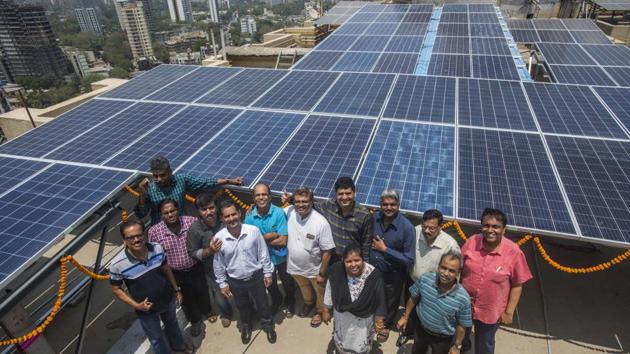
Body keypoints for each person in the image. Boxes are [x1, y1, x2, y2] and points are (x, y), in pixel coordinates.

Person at [109, 219, 192, 354]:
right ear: (124, 240)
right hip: (145, 309)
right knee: (156, 337)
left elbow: (166, 269)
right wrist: (136, 306)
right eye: (130, 237)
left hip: (167, 299)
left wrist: (176, 289)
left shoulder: (157, 248)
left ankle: (179, 347)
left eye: (139, 235)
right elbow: (115, 289)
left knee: (172, 325)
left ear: (145, 234)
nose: (136, 240)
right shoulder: (117, 264)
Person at [461, 208, 533, 354]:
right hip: (464, 305)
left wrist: (509, 312)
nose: (490, 230)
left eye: (495, 227)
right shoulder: (471, 242)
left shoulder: (514, 252)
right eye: (486, 225)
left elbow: (517, 285)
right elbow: (458, 268)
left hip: (490, 311)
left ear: (504, 229)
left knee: (485, 345)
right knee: (461, 338)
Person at [213, 200, 277, 344]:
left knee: (263, 304)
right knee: (242, 306)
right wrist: (222, 283)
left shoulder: (253, 231)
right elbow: (218, 264)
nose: (231, 219)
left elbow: (263, 253)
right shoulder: (218, 238)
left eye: (233, 214)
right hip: (235, 281)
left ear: (239, 213)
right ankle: (246, 326)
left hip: (256, 277)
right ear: (222, 219)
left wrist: (267, 273)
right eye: (227, 216)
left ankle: (268, 325)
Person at [148, 199, 212, 337]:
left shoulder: (191, 221)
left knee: (202, 289)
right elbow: (154, 254)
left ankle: (207, 310)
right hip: (175, 273)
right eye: (166, 213)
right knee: (187, 298)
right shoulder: (154, 232)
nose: (170, 214)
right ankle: (196, 321)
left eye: (172, 211)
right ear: (161, 215)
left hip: (196, 266)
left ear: (178, 210)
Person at [399, 209, 460, 346]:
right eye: (424, 226)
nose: (426, 231)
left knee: (426, 314)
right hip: (412, 280)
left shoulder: (450, 245)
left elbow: (455, 270)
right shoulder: (414, 232)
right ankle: (407, 332)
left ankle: (422, 340)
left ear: (440, 227)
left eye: (431, 228)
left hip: (433, 287)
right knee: (410, 310)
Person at [397, 251, 472, 354]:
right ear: (438, 267)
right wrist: (405, 317)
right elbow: (413, 298)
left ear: (458, 273)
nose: (445, 273)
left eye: (451, 271)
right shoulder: (425, 279)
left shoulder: (463, 298)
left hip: (443, 339)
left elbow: (462, 325)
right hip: (421, 330)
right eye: (443, 268)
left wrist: (457, 346)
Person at [136, 156, 243, 224]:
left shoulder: (181, 180)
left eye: (162, 175)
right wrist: (142, 195)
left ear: (170, 172)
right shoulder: (148, 188)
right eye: (155, 176)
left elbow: (205, 182)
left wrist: (229, 181)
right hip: (160, 231)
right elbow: (141, 214)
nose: (158, 179)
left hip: (182, 226)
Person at [322, 243, 387, 354]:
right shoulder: (337, 270)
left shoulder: (374, 275)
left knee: (361, 344)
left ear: (363, 259)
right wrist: (326, 309)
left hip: (363, 319)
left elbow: (380, 298)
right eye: (348, 261)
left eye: (357, 260)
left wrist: (379, 320)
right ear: (343, 261)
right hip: (342, 316)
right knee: (343, 340)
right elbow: (329, 289)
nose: (353, 265)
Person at [284, 187, 335, 327]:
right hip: (294, 266)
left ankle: (319, 311)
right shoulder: (289, 212)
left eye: (305, 201)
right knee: (303, 286)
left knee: (320, 292)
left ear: (312, 202)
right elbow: (273, 211)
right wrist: (253, 209)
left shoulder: (321, 222)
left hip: (314, 269)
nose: (301, 204)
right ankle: (308, 303)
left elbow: (327, 251)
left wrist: (322, 273)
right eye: (298, 201)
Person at [369, 188, 415, 337]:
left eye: (393, 204)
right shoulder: (374, 218)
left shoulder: (407, 228)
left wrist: (385, 249)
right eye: (385, 204)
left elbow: (409, 259)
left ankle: (386, 325)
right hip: (373, 269)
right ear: (380, 204)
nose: (389, 208)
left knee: (390, 300)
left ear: (399, 204)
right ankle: (374, 319)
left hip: (393, 274)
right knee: (373, 295)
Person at [244, 183, 296, 316]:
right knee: (270, 285)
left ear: (270, 196)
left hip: (282, 258)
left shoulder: (278, 212)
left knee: (288, 283)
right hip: (263, 261)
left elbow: (283, 240)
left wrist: (260, 241)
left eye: (264, 194)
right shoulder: (249, 217)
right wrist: (271, 235)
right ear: (253, 198)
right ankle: (277, 300)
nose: (261, 198)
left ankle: (290, 301)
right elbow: (249, 243)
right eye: (258, 195)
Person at [186, 191, 233, 328]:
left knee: (241, 290)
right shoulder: (195, 229)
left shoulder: (225, 218)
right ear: (199, 211)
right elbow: (192, 252)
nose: (209, 212)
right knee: (219, 295)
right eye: (204, 209)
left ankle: (247, 309)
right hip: (212, 270)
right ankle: (227, 313)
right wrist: (209, 251)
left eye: (211, 208)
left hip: (234, 264)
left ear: (216, 207)